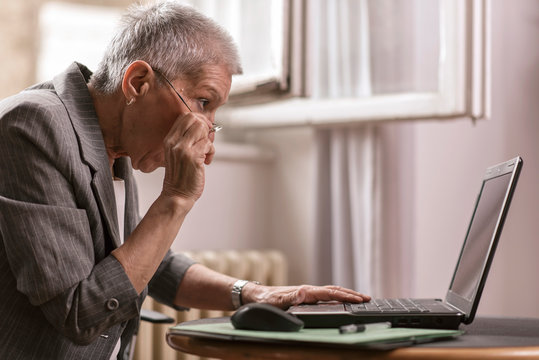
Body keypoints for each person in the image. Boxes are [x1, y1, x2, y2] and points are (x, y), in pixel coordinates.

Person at [0, 2, 370, 359]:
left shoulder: (112, 140)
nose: (207, 130)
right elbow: (80, 312)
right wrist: (175, 199)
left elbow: (149, 262)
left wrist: (253, 293)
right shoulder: (33, 126)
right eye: (203, 103)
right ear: (138, 82)